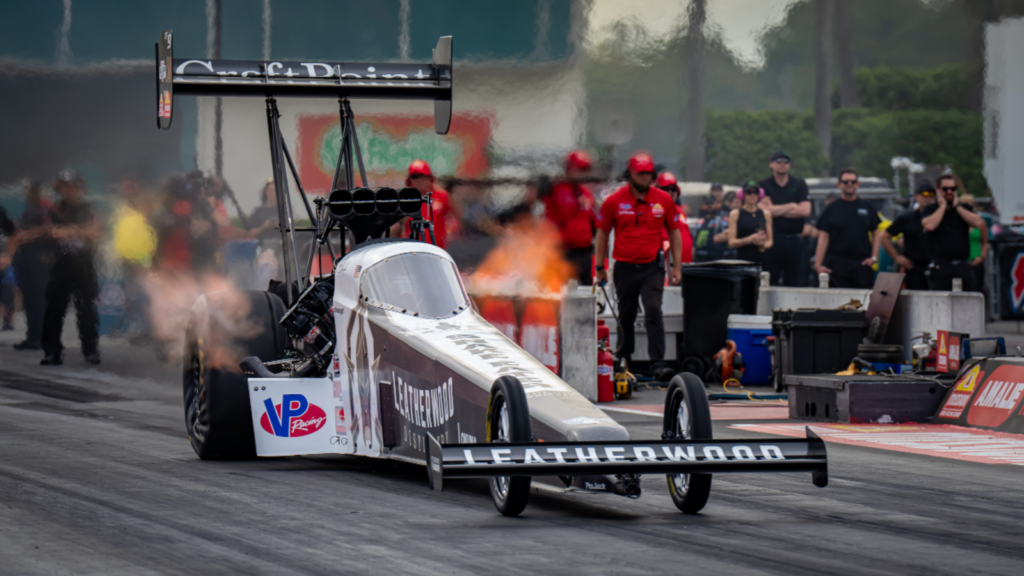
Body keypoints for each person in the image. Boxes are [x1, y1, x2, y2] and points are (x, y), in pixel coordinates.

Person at [595, 153, 683, 381]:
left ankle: (658, 362)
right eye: (640, 173)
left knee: (653, 309)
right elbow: (602, 233)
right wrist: (599, 266)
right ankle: (624, 359)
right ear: (630, 174)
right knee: (626, 313)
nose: (645, 178)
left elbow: (674, 232)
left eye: (648, 174)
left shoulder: (663, 199)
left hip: (651, 268)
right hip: (624, 267)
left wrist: (676, 267)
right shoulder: (614, 201)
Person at [40, 171, 102, 365]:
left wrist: (72, 231)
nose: (71, 190)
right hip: (61, 265)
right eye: (66, 186)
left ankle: (90, 350)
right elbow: (52, 232)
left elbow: (95, 231)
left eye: (74, 186)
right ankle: (52, 351)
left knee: (87, 310)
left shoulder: (89, 209)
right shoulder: (55, 209)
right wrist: (79, 231)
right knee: (54, 310)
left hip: (84, 264)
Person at [813, 168, 881, 289]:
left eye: (853, 181)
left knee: (862, 303)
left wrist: (874, 258)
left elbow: (876, 233)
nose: (849, 184)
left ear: (858, 184)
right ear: (839, 185)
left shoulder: (867, 207)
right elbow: (823, 237)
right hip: (837, 264)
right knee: (838, 304)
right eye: (845, 182)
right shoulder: (831, 209)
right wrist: (818, 264)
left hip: (862, 264)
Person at [921, 174, 987, 291]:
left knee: (969, 301)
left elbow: (979, 223)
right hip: (940, 267)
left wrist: (957, 207)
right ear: (938, 190)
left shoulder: (964, 208)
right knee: (941, 305)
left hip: (962, 266)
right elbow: (929, 226)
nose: (949, 192)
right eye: (945, 189)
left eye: (953, 189)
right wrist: (942, 207)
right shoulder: (931, 209)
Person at [10, 181, 56, 350]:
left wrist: (25, 235)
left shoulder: (45, 209)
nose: (27, 194)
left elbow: (49, 231)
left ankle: (42, 338)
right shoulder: (30, 210)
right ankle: (33, 337)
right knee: (30, 299)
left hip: (40, 257)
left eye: (29, 191)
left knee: (39, 299)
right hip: (27, 257)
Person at [544, 150, 597, 285]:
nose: (581, 173)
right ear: (569, 168)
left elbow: (592, 220)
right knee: (566, 293)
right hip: (564, 252)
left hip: (585, 252)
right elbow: (559, 216)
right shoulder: (556, 189)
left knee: (586, 292)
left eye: (584, 170)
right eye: (578, 169)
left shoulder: (585, 193)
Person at [759, 150, 811, 286]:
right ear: (771, 164)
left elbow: (805, 211)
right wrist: (791, 206)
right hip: (772, 239)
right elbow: (765, 211)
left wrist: (775, 209)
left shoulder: (799, 184)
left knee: (794, 281)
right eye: (778, 161)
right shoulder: (763, 185)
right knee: (771, 280)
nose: (782, 164)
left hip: (794, 239)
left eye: (786, 161)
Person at [879, 180, 936, 290]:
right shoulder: (907, 218)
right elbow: (883, 236)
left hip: (937, 267)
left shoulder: (940, 217)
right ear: (917, 197)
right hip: (914, 267)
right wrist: (896, 257)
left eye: (931, 195)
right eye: (924, 194)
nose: (928, 197)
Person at [400, 159, 461, 249]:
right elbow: (397, 227)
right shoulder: (404, 199)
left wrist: (452, 230)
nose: (420, 180)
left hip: (436, 251)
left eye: (423, 176)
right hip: (411, 250)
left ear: (430, 178)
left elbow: (458, 216)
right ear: (410, 180)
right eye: (415, 176)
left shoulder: (442, 196)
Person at [728, 181, 773, 268]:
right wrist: (750, 239)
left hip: (761, 259)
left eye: (755, 192)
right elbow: (732, 242)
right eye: (749, 192)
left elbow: (770, 241)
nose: (752, 195)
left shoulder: (766, 214)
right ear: (743, 194)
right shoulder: (735, 214)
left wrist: (762, 244)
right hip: (743, 259)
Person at [958, 194, 990, 293]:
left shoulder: (980, 222)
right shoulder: (956, 222)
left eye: (969, 203)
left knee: (976, 290)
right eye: (964, 204)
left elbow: (985, 243)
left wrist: (981, 257)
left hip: (976, 262)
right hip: (961, 262)